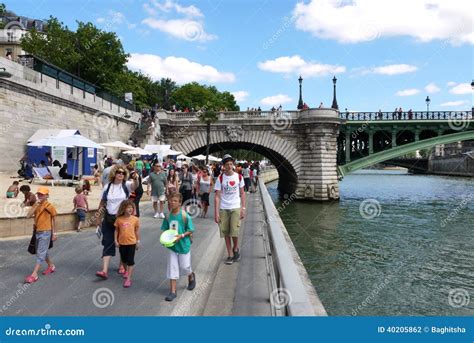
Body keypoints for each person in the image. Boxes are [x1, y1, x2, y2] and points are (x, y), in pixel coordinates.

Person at [95, 166, 138, 279]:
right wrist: (98, 217)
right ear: (114, 173)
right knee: (107, 242)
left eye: (123, 173)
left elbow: (135, 186)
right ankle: (104, 270)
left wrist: (136, 178)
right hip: (109, 218)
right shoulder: (107, 187)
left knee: (123, 243)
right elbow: (102, 202)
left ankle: (122, 265)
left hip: (123, 219)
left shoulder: (126, 185)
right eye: (118, 172)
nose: (120, 174)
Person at [161, 192, 196, 301]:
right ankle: (173, 291)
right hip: (172, 246)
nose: (172, 202)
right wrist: (164, 239)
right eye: (171, 201)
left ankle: (191, 275)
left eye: (175, 201)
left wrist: (181, 235)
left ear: (180, 203)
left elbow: (190, 229)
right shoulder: (167, 216)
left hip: (183, 246)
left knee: (185, 266)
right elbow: (165, 229)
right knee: (172, 268)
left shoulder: (185, 216)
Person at [214, 154, 246, 265]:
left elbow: (242, 193)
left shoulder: (239, 177)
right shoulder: (220, 178)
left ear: (233, 165)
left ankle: (236, 248)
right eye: (227, 164)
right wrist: (216, 212)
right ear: (223, 166)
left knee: (234, 232)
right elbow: (217, 196)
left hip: (235, 207)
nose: (229, 166)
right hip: (224, 208)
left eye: (231, 164)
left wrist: (243, 208)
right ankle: (230, 254)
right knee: (226, 233)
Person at [24, 187, 57, 283]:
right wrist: (35, 206)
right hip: (37, 231)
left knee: (40, 253)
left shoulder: (49, 206)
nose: (39, 196)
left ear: (47, 196)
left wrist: (54, 233)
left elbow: (54, 219)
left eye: (42, 194)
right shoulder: (36, 205)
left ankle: (34, 274)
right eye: (38, 194)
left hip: (46, 232)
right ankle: (51, 266)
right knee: (43, 251)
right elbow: (28, 216)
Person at [114, 200, 140, 288]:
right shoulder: (119, 219)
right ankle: (126, 271)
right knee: (124, 260)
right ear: (123, 208)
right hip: (122, 243)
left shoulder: (135, 219)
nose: (130, 209)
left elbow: (136, 231)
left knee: (130, 260)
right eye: (128, 207)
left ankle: (128, 278)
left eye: (132, 207)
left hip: (132, 242)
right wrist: (115, 241)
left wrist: (138, 241)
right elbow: (116, 230)